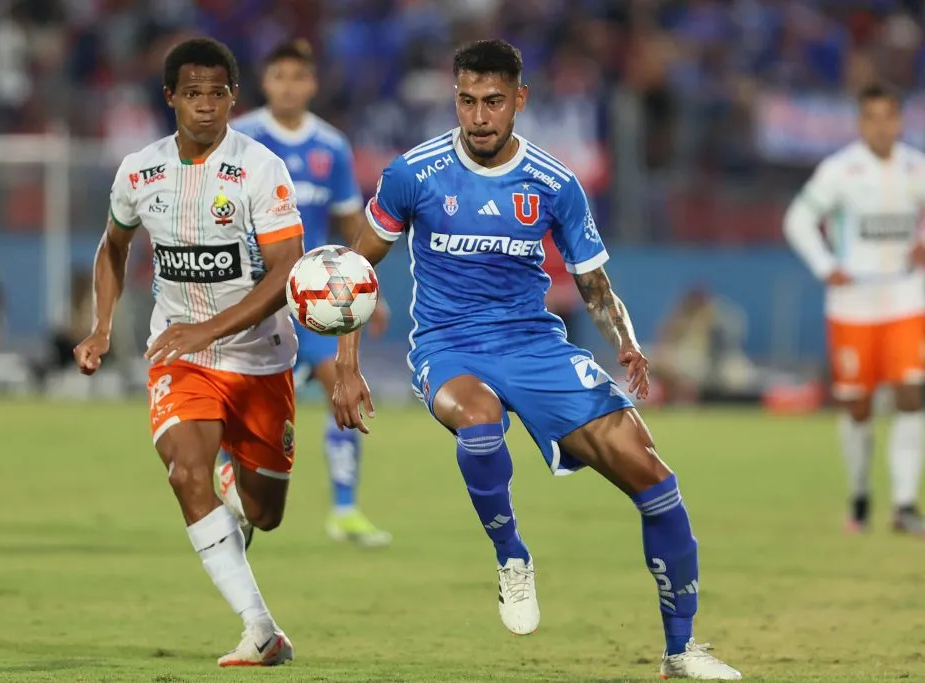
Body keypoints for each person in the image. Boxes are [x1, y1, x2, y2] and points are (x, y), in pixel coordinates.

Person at [331, 40, 742, 680]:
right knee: (478, 420)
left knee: (656, 482)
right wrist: (349, 365)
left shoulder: (554, 184)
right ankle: (512, 556)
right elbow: (354, 273)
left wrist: (626, 341)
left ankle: (680, 651)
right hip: (448, 344)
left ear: (519, 99)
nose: (479, 116)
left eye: (493, 101)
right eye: (467, 101)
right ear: (455, 99)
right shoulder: (413, 173)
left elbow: (595, 286)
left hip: (535, 346)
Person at [73, 37, 303, 667]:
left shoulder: (260, 169)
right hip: (180, 353)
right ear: (170, 97)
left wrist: (212, 329)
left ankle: (237, 477)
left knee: (266, 513)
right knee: (183, 473)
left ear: (235, 97)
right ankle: (261, 630)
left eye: (218, 94)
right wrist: (102, 327)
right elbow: (112, 247)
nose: (206, 107)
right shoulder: (140, 171)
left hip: (260, 358)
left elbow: (286, 269)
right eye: (193, 94)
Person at [227, 39, 391, 547]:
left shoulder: (331, 146)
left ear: (312, 84)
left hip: (314, 297)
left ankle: (344, 508)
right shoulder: (243, 138)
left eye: (299, 77)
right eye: (279, 77)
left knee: (342, 385)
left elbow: (348, 220)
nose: (289, 86)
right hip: (254, 294)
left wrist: (367, 290)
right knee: (240, 401)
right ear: (265, 82)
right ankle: (234, 492)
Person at [784, 83, 925, 535]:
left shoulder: (915, 168)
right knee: (857, 406)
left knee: (910, 392)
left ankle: (904, 505)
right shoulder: (840, 171)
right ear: (861, 123)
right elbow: (798, 219)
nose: (882, 126)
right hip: (852, 304)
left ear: (900, 121)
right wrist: (827, 266)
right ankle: (861, 494)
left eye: (890, 117)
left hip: (906, 297)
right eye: (873, 118)